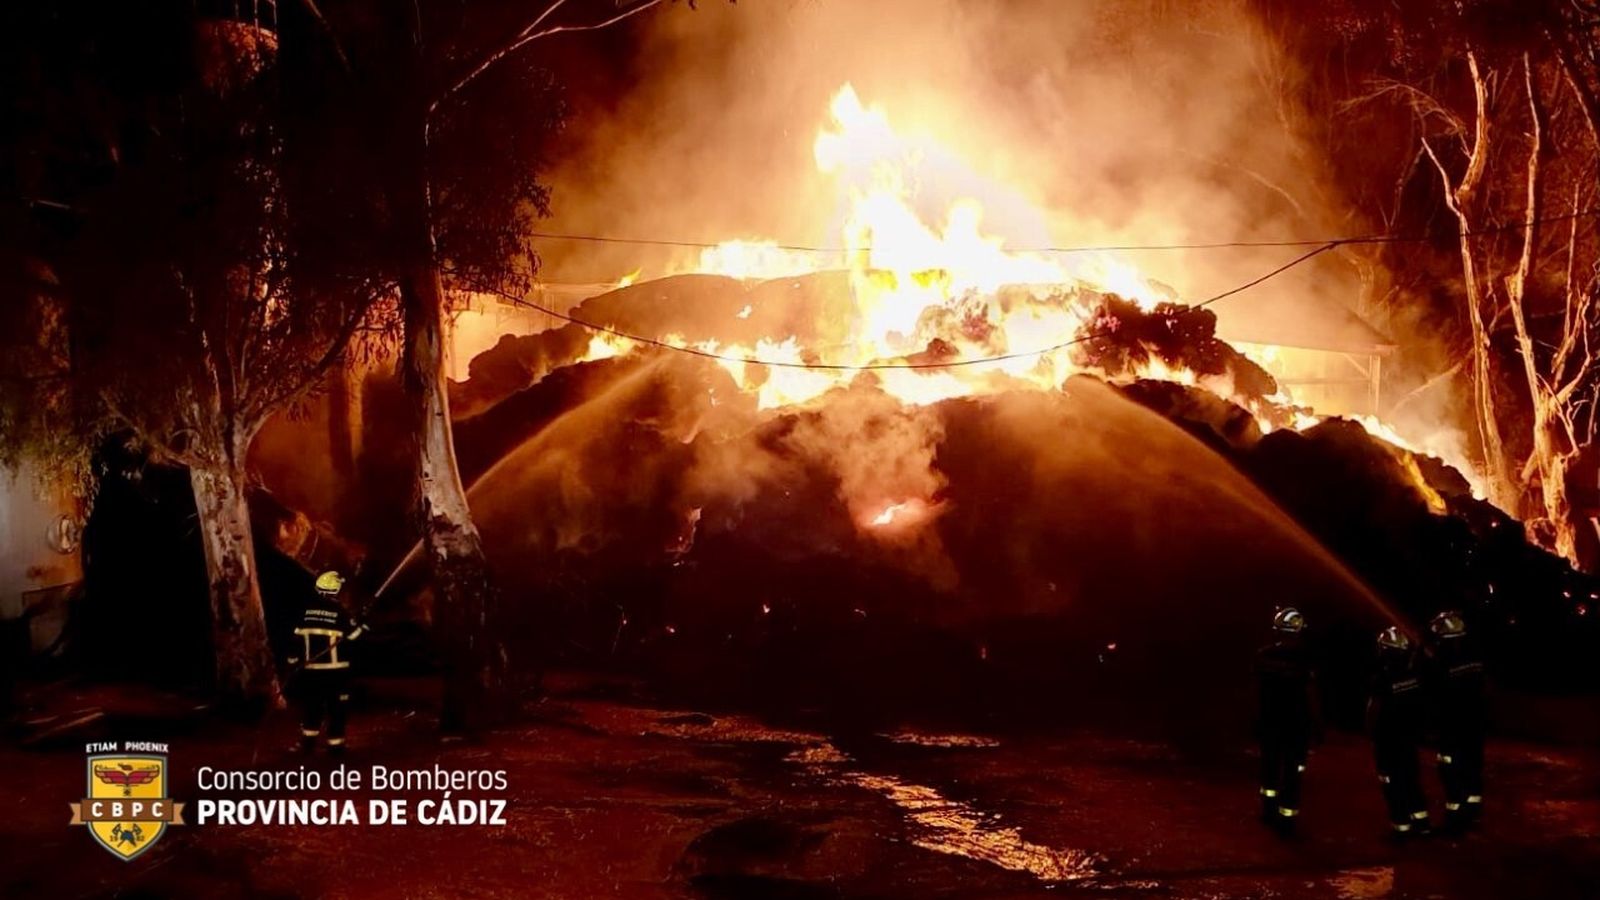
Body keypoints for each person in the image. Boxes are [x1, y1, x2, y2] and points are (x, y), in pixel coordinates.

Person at [287, 570, 365, 754]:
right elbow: (354, 637)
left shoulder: (305, 612)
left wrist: (293, 663)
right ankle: (336, 746)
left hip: (311, 671)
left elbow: (294, 642)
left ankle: (307, 744)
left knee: (312, 707)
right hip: (336, 673)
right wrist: (362, 623)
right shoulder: (340, 613)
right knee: (336, 709)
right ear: (336, 591)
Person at [1255, 607, 1315, 836]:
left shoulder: (1264, 655)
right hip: (1297, 725)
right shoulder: (1305, 659)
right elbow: (1312, 694)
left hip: (1270, 722)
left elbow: (1255, 690)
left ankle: (1268, 812)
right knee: (1293, 771)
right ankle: (1287, 818)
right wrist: (1317, 724)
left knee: (1270, 766)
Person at [1369, 626, 1431, 840]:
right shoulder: (1413, 675)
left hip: (1388, 741)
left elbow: (1374, 711)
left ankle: (1401, 827)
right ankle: (1422, 824)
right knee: (1412, 781)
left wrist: (1371, 734)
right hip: (1409, 739)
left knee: (1391, 783)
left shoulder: (1383, 679)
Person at [1426, 610, 1485, 831]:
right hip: (1475, 722)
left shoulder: (1440, 661)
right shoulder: (1475, 656)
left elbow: (1432, 694)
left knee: (1449, 768)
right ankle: (1473, 810)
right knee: (1472, 764)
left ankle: (1454, 817)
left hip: (1451, 725)